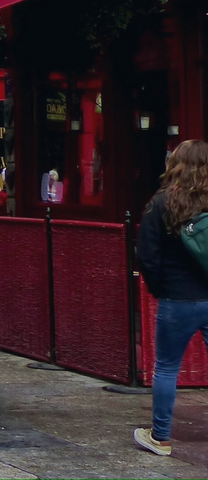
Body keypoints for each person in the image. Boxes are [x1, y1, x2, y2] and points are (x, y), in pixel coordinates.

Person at [134, 140, 208, 457]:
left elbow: (146, 256)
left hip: (177, 299)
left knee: (166, 369)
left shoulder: (161, 202)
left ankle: (160, 437)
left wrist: (159, 288)